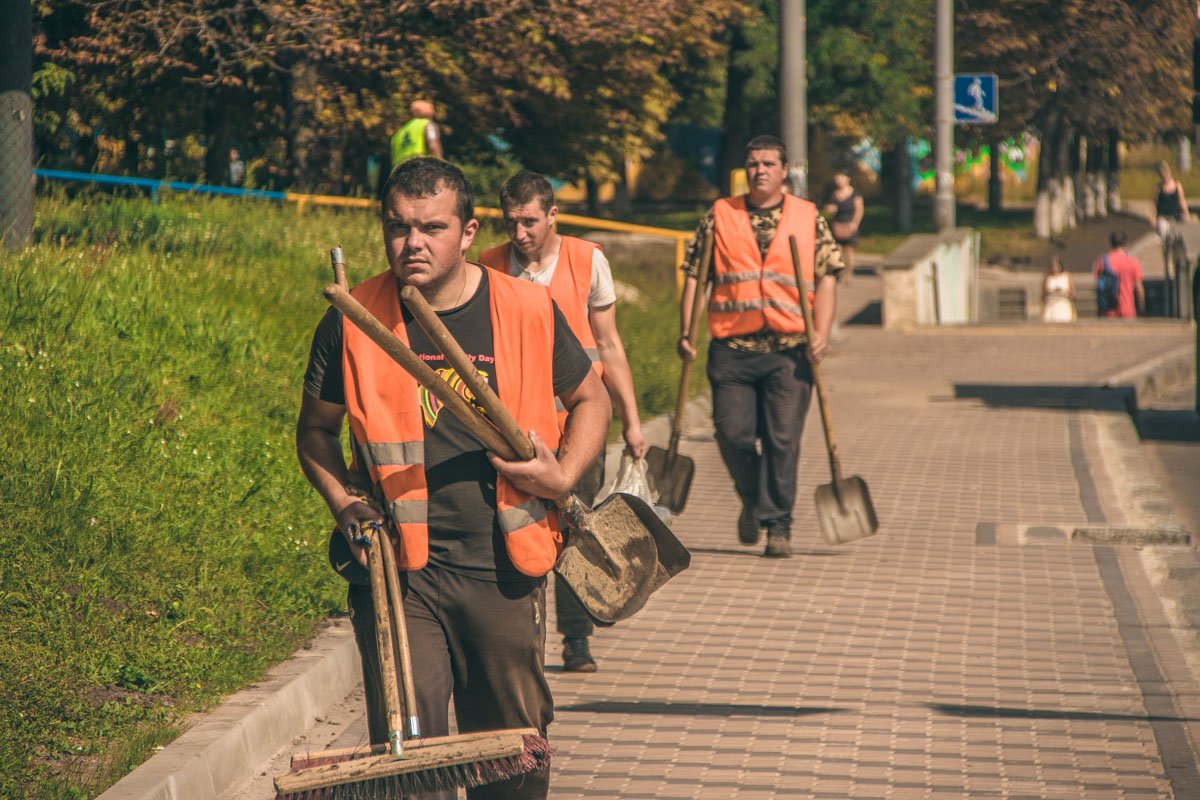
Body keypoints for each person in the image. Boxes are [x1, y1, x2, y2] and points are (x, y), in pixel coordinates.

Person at [297, 157, 610, 800]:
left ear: (467, 233)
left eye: (432, 227)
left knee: (515, 756)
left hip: (502, 568)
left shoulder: (527, 308)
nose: (412, 243)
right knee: (414, 755)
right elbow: (314, 432)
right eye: (398, 226)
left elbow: (591, 399)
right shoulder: (354, 321)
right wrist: (343, 503)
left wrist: (564, 473)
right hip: (399, 572)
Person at [479, 170, 647, 674]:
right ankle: (519, 637)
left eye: (529, 221)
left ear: (553, 214)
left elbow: (610, 346)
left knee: (576, 524)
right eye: (511, 222)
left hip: (578, 422)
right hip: (512, 428)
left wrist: (633, 422)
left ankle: (576, 639)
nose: (519, 233)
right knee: (517, 527)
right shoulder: (487, 266)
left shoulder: (586, 260)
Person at [678, 134, 844, 559]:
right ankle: (753, 499)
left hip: (791, 350)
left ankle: (778, 525)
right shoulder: (720, 215)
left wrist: (821, 331)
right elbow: (696, 275)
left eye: (769, 163)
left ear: (785, 170)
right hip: (733, 347)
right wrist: (686, 329)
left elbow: (828, 274)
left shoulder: (809, 218)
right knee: (732, 434)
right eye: (753, 164)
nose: (761, 170)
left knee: (782, 440)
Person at [822, 170, 863, 285]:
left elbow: (859, 210)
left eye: (841, 177)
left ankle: (848, 273)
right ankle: (839, 272)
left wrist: (855, 224)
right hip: (837, 225)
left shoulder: (855, 194)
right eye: (837, 178)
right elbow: (827, 209)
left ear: (848, 178)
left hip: (850, 225)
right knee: (837, 251)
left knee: (849, 251)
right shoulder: (833, 194)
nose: (838, 180)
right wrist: (830, 209)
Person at [1094, 230, 1145, 319]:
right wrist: (1141, 306)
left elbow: (1099, 285)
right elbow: (1139, 288)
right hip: (1127, 310)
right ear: (1126, 243)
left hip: (1108, 311)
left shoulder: (1102, 261)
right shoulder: (1133, 262)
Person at [390, 99, 443, 174]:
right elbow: (433, 146)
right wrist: (440, 167)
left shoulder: (399, 133)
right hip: (421, 170)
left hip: (400, 174)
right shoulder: (427, 124)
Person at [1150, 160, 1191, 241]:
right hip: (1162, 217)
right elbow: (1154, 203)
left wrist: (1186, 214)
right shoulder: (1158, 188)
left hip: (1175, 217)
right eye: (1162, 175)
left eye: (1166, 173)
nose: (1165, 176)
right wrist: (1152, 218)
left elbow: (1181, 201)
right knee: (1165, 236)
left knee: (1177, 238)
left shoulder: (1177, 186)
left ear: (1170, 173)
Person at [1041, 256, 1076, 323]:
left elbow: (1072, 292)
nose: (1055, 268)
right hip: (1051, 303)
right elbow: (1043, 293)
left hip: (1063, 302)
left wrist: (1064, 291)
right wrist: (1051, 291)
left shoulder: (1066, 276)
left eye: (1057, 266)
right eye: (1053, 266)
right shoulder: (1048, 277)